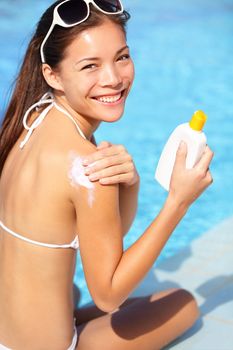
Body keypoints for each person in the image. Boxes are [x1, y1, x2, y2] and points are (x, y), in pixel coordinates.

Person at [0, 0, 214, 349]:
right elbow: (109, 296)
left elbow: (105, 236)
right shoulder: (85, 166)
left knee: (71, 290)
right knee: (183, 302)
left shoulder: (30, 122)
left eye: (122, 57)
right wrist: (178, 202)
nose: (113, 78)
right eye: (90, 65)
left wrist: (130, 185)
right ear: (51, 74)